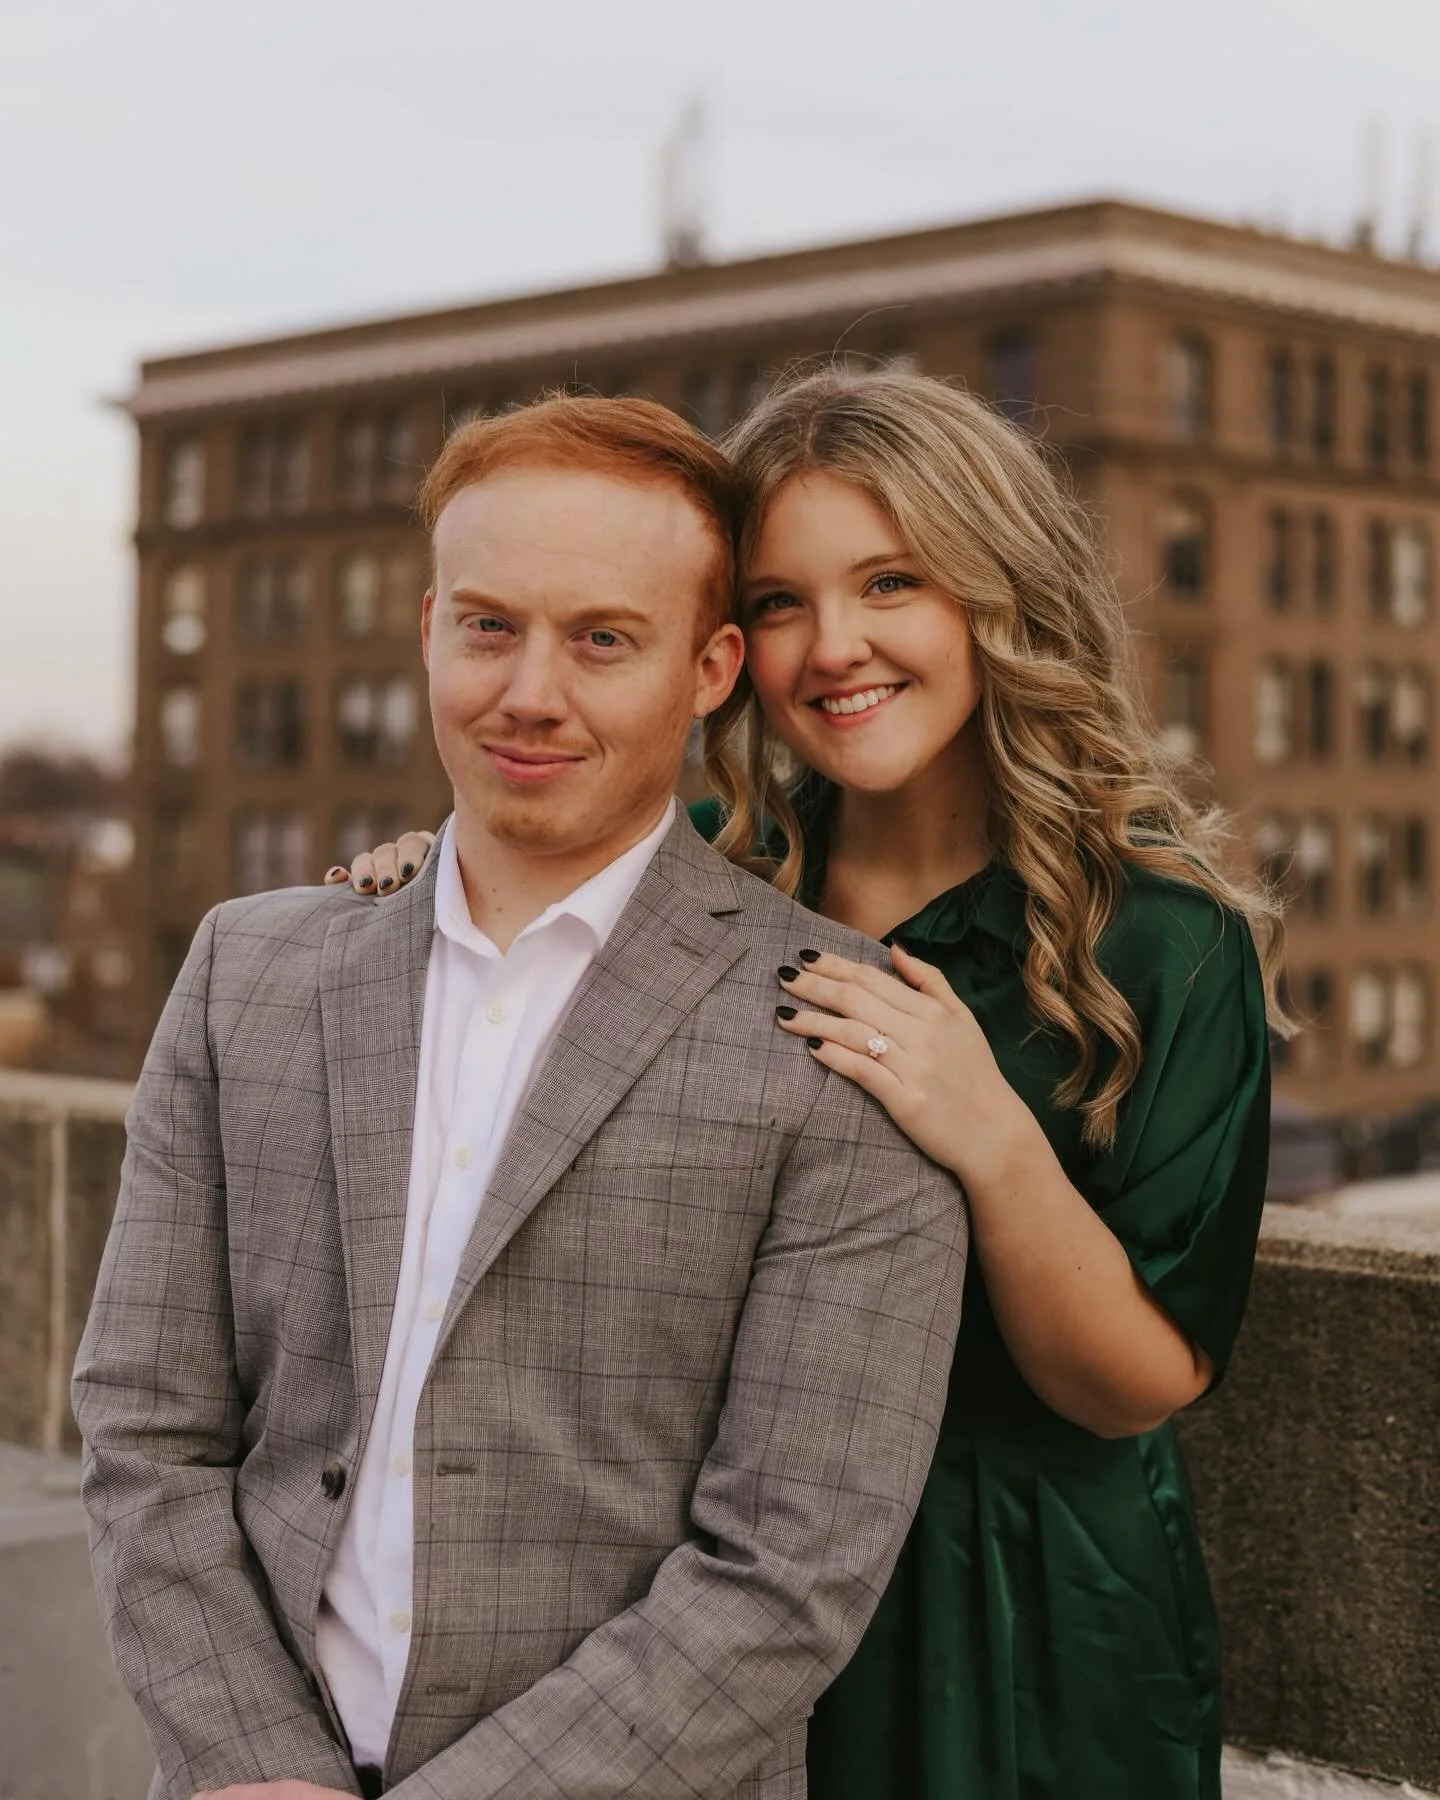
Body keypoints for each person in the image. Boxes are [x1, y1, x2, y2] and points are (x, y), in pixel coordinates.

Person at [345, 365, 1281, 1800]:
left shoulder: (1161, 942)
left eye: (891, 583)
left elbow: (1137, 1384)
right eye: (781, 602)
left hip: (1021, 1618)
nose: (833, 647)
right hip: (701, 1595)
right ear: (727, 647)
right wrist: (440, 886)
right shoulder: (702, 867)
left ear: (995, 593)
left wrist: (991, 1137)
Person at [73, 394, 969, 1800]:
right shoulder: (245, 973)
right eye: (489, 626)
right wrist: (257, 1768)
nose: (528, 692)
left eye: (603, 639)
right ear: (430, 625)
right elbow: (146, 1424)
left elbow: (789, 1567)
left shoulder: (843, 1033)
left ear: (711, 666)